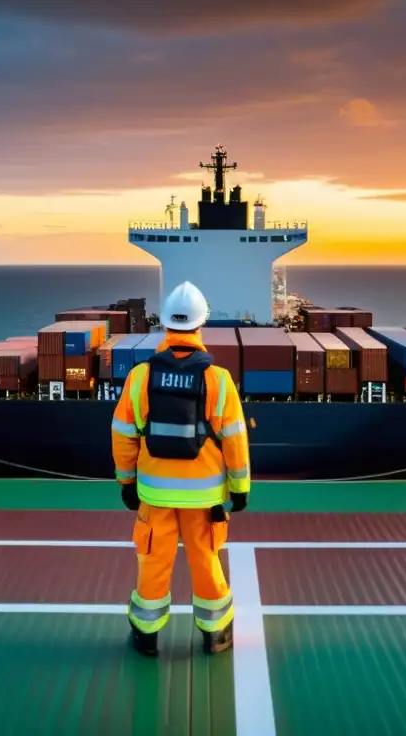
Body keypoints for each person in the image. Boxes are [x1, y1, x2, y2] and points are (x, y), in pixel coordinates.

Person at [111, 281, 251, 656]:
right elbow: (235, 439)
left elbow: (123, 434)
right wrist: (239, 488)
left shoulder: (140, 377)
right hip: (204, 498)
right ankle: (215, 635)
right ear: (201, 323)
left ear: (164, 323)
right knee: (206, 562)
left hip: (154, 493)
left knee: (153, 564)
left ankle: (146, 636)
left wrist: (127, 481)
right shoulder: (218, 380)